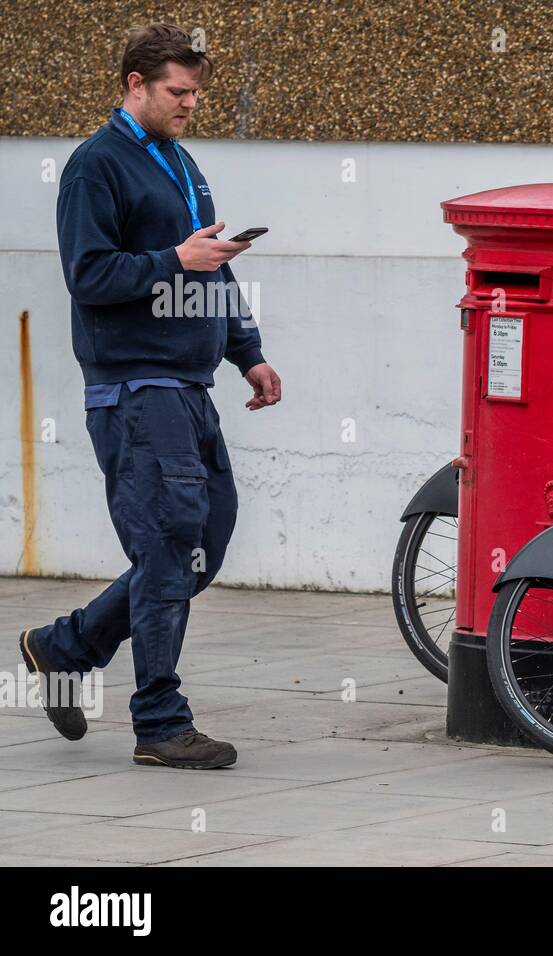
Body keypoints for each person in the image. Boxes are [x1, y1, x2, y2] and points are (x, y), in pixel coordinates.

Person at [19, 22, 282, 769]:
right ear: (135, 84)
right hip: (135, 389)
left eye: (196, 92)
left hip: (191, 388)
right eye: (178, 91)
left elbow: (211, 271)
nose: (190, 103)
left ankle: (64, 648)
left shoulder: (181, 163)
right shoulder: (94, 168)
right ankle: (160, 723)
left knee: (202, 546)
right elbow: (92, 278)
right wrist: (175, 257)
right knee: (170, 546)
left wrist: (249, 355)